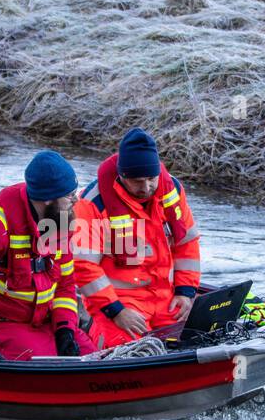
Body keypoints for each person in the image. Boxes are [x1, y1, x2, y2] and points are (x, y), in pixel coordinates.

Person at [0, 151, 97, 362]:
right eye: (69, 195)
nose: (75, 200)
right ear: (48, 198)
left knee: (92, 356)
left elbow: (65, 285)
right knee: (46, 367)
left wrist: (65, 330)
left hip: (43, 320)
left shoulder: (60, 219)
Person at [72, 127, 202, 348]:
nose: (147, 187)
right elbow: (83, 266)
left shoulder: (173, 190)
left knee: (199, 338)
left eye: (152, 179)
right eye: (138, 181)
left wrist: (186, 292)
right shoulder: (92, 203)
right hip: (119, 302)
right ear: (122, 176)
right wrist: (116, 311)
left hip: (167, 298)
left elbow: (187, 243)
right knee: (126, 352)